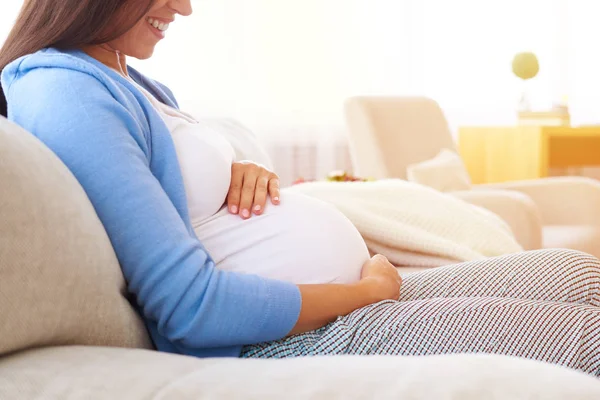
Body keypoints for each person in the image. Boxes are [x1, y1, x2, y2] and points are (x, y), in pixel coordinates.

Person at [1, 0, 599, 375]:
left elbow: (176, 194)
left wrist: (234, 167)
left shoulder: (126, 76)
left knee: (576, 274)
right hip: (275, 337)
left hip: (338, 299)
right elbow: (190, 309)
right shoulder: (64, 93)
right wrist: (367, 295)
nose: (183, 8)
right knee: (585, 337)